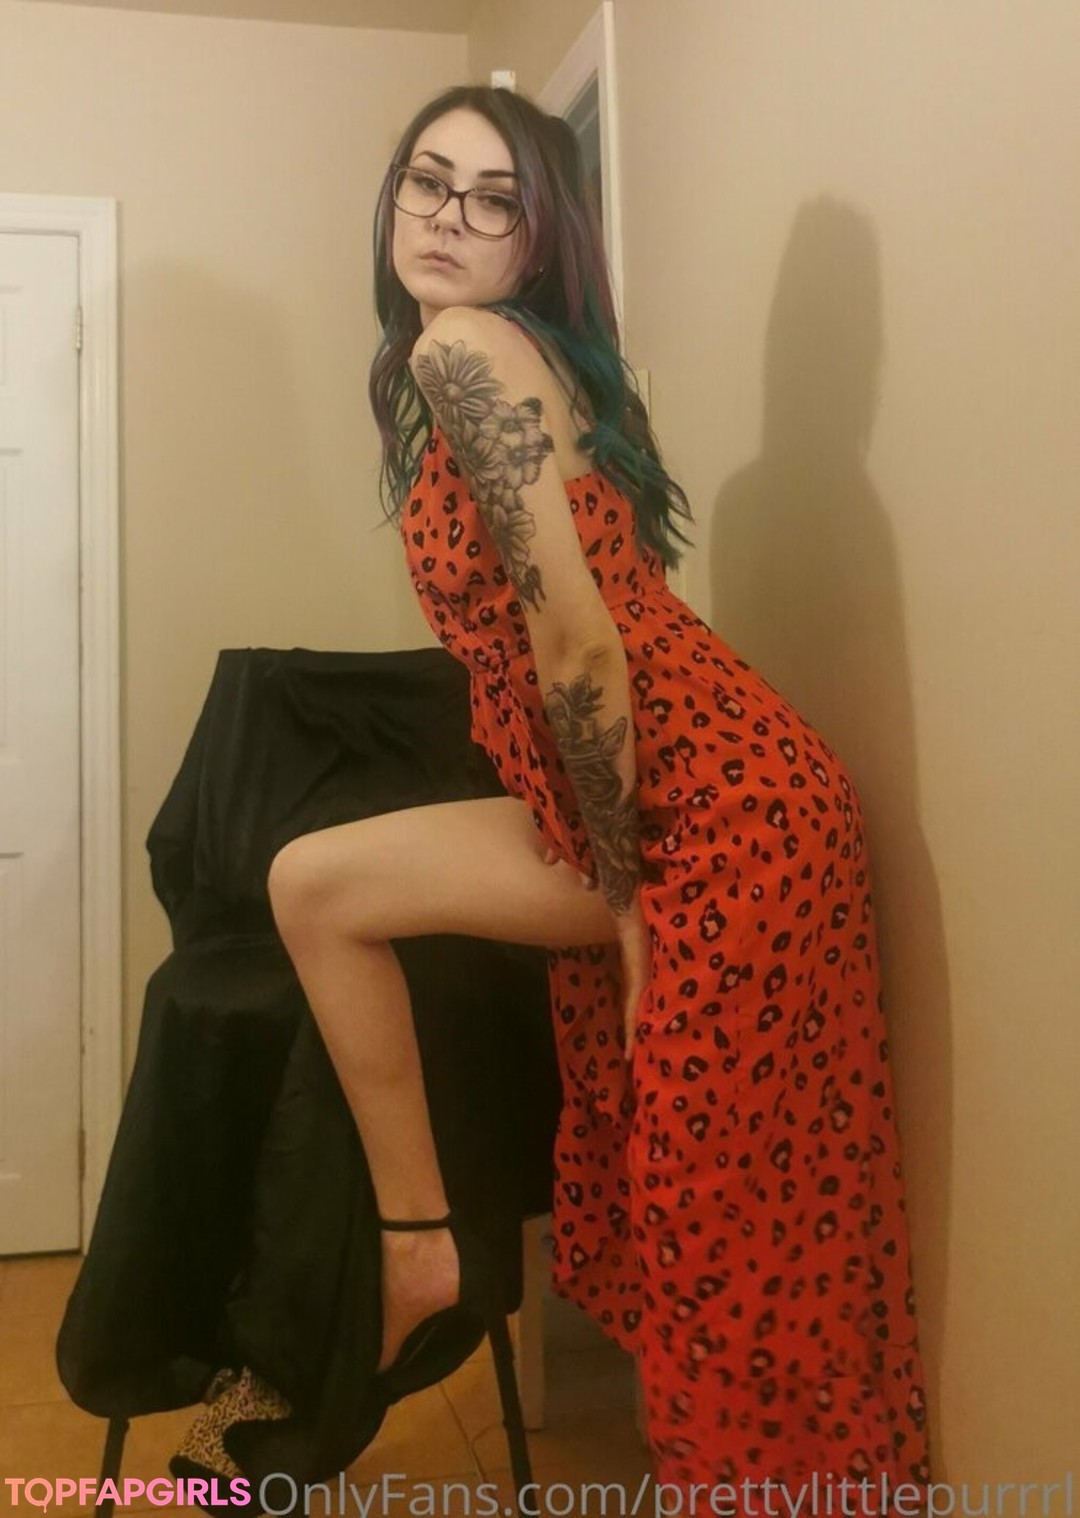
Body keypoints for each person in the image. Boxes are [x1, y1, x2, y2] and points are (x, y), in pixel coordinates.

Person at [268, 84, 931, 1498]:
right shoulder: (510, 354)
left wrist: (628, 902)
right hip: (676, 792)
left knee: (727, 1243)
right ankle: (423, 1249)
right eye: (426, 180)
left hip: (723, 823)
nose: (448, 217)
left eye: (493, 198)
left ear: (539, 235)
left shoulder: (465, 348)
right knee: (313, 884)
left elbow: (579, 639)